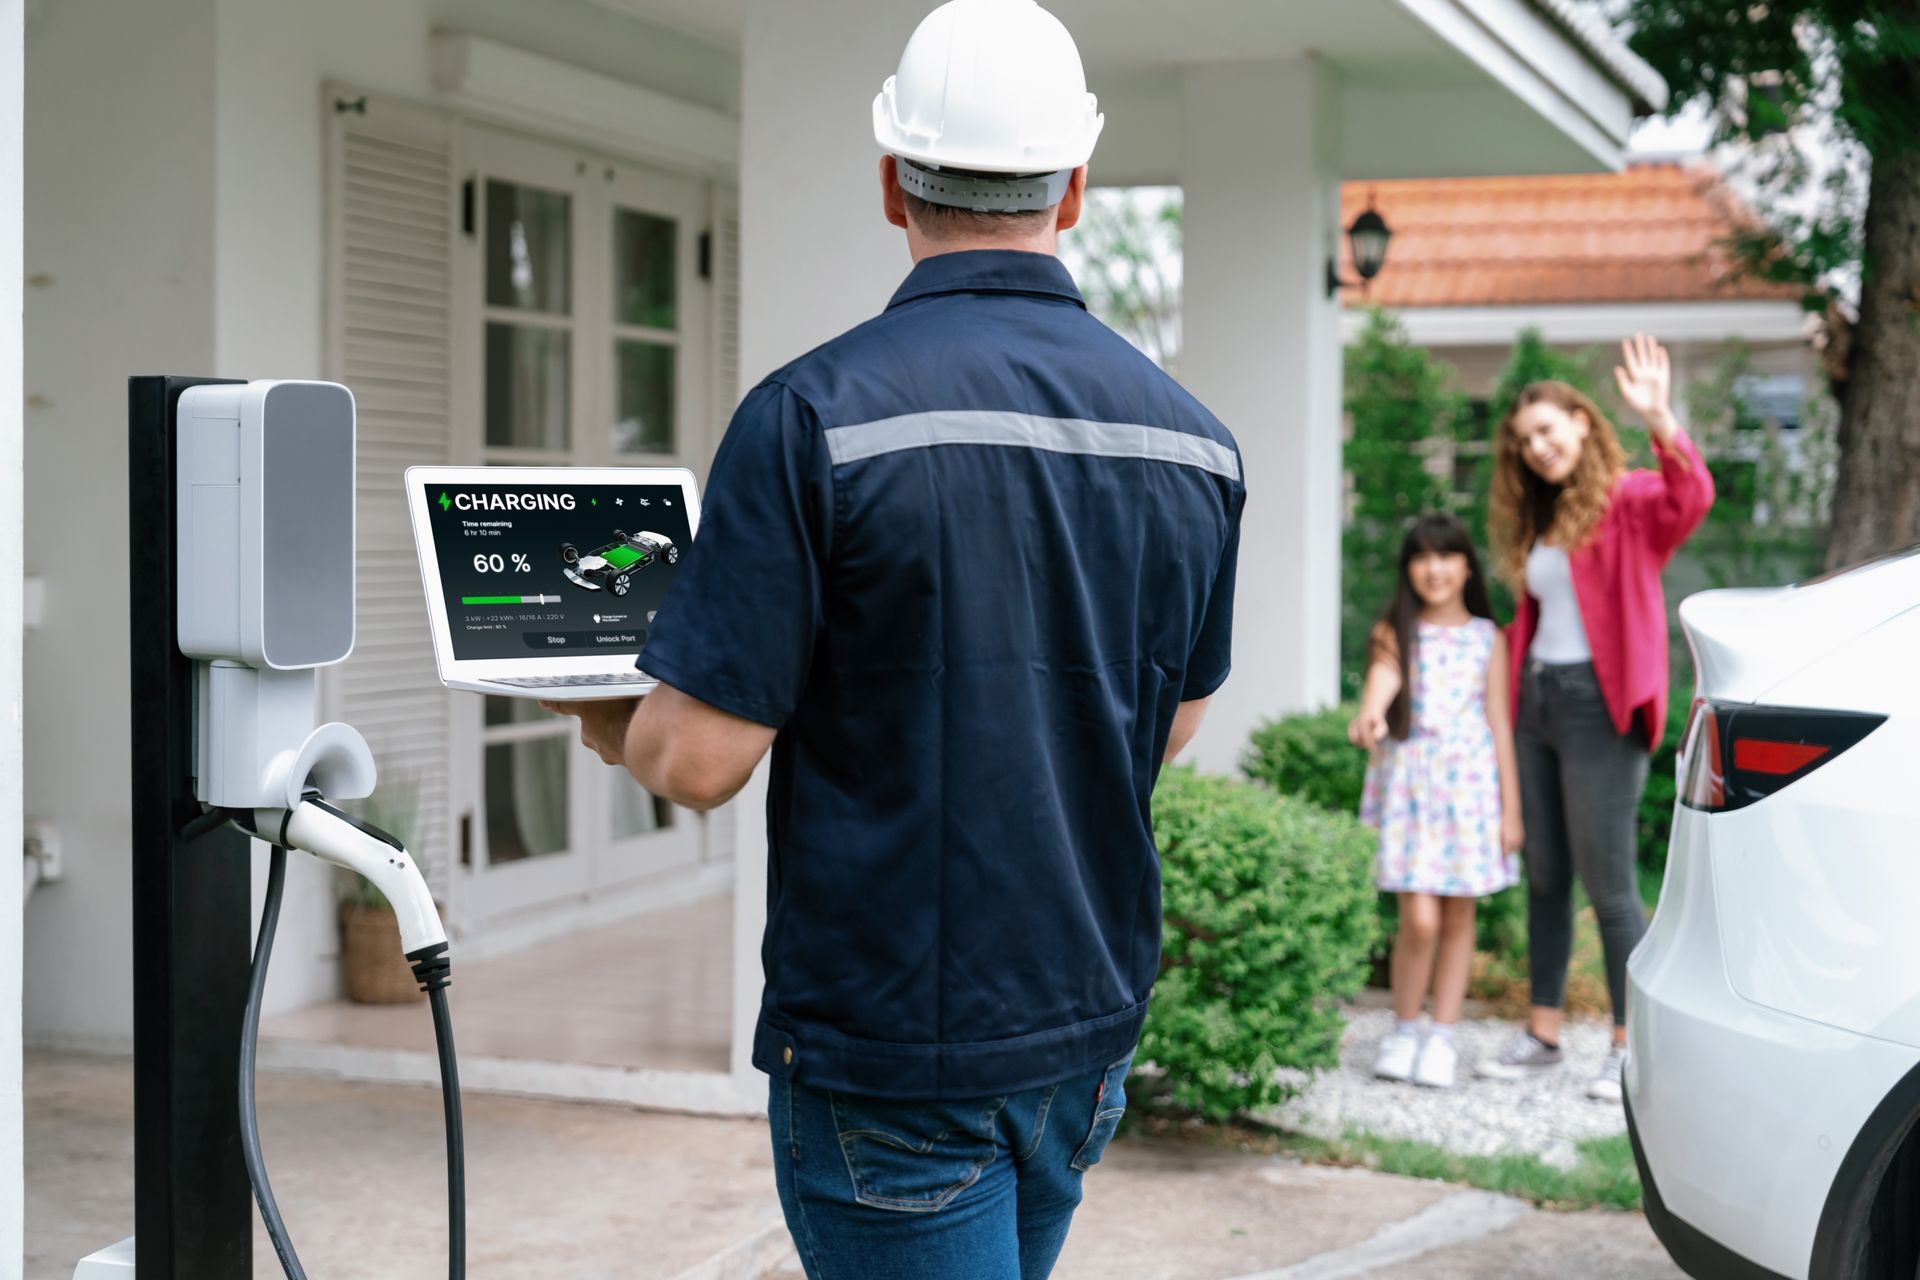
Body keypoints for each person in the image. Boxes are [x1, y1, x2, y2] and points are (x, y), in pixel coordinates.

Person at [544, 2, 1243, 1275]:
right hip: (1083, 1030)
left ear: (890, 183)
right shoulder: (1193, 441)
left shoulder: (812, 416)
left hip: (892, 1051)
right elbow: (1172, 721)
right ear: (1074, 188)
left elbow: (696, 759)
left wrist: (611, 720)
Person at [1474, 335, 1714, 1101]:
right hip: (1537, 704)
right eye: (1524, 440)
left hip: (1597, 709)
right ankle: (1543, 1035)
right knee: (1546, 877)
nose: (1537, 447)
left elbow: (1692, 497)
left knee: (1609, 884)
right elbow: (1538, 616)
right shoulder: (1542, 519)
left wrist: (1661, 417)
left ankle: (1628, 1047)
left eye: (1547, 430)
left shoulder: (1630, 500)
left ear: (1582, 422)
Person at [1348, 514, 1522, 1090]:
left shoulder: (1488, 638)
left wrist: (1512, 810)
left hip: (1469, 790)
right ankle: (1404, 1029)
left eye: (1446, 555)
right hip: (1410, 787)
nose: (1434, 568)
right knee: (1418, 918)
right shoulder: (1395, 631)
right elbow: (1383, 682)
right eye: (1422, 557)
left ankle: (1441, 1036)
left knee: (1457, 917)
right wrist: (1371, 714)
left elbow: (1499, 723)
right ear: (1408, 569)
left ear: (1467, 566)